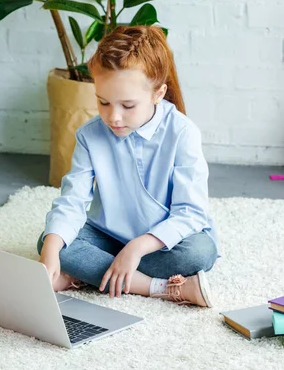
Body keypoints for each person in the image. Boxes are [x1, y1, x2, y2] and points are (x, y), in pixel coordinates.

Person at [37, 25, 220, 307]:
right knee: (51, 242)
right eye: (103, 102)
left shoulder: (182, 133)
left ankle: (85, 275)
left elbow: (191, 213)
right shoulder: (90, 135)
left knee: (198, 255)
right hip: (107, 234)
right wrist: (51, 250)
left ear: (158, 93)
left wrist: (136, 248)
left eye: (128, 105)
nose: (114, 117)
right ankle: (159, 288)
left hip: (161, 243)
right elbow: (72, 201)